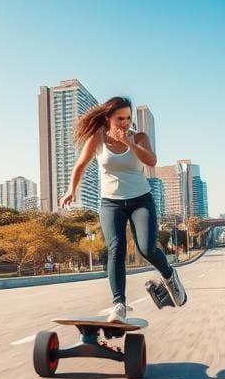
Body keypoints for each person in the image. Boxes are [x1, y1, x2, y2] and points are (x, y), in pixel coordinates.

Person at [60, 96, 187, 321]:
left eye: (128, 118)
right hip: (110, 203)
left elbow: (152, 161)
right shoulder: (96, 140)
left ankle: (169, 276)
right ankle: (119, 304)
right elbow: (80, 166)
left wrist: (129, 143)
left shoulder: (139, 137)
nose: (124, 123)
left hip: (141, 200)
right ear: (108, 118)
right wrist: (72, 190)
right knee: (115, 248)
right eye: (120, 119)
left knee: (147, 249)